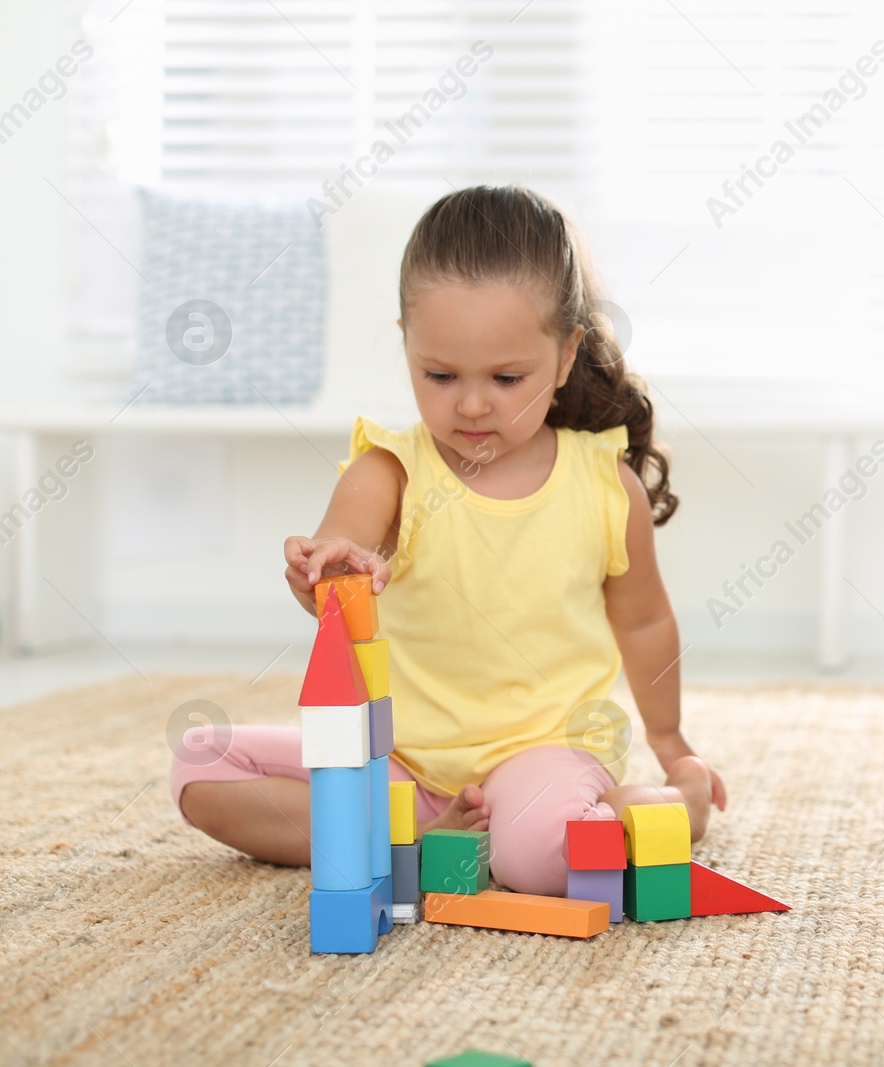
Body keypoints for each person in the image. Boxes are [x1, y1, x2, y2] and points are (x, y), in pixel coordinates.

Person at [171, 185, 723, 895]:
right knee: (200, 764)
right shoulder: (390, 469)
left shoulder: (604, 486)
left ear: (564, 356)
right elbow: (341, 545)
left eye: (505, 377)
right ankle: (425, 838)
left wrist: (670, 740)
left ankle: (667, 808)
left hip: (544, 753)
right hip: (396, 764)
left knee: (535, 860)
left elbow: (645, 620)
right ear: (406, 342)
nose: (469, 403)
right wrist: (328, 570)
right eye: (439, 375)